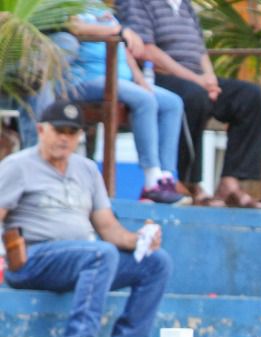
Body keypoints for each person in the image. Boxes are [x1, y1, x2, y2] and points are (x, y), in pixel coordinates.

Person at [0, 101, 170, 337]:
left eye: (72, 133)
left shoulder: (87, 169)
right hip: (32, 259)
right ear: (41, 130)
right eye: (59, 131)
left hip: (83, 259)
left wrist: (139, 240)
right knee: (101, 254)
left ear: (80, 135)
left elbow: (108, 227)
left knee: (156, 262)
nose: (65, 139)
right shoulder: (18, 166)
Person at [122, 0, 261, 207]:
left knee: (250, 97)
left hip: (197, 80)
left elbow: (201, 51)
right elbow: (146, 50)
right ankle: (188, 182)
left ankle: (230, 183)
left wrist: (210, 80)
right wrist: (196, 80)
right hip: (157, 77)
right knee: (193, 97)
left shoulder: (185, 5)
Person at [67, 3, 186, 204]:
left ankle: (166, 176)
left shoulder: (103, 10)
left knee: (172, 102)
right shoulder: (68, 6)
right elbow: (75, 28)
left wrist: (139, 78)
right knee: (144, 99)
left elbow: (124, 48)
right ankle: (151, 178)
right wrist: (117, 30)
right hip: (88, 79)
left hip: (122, 79)